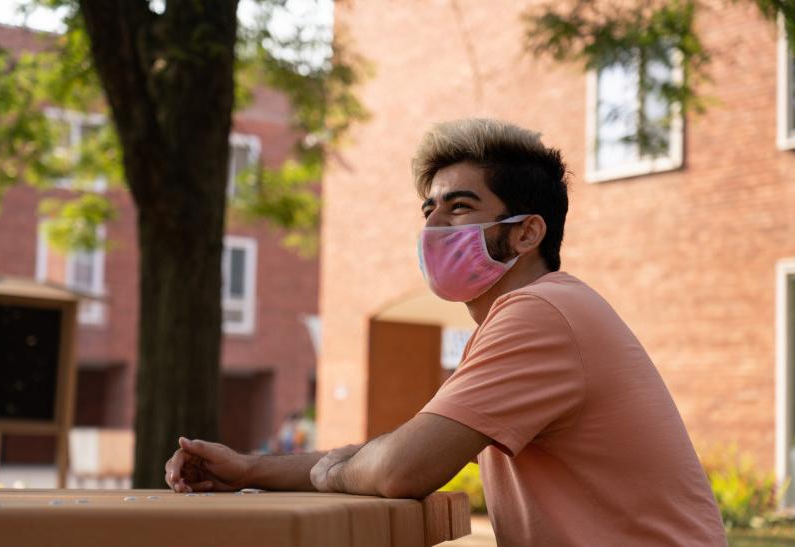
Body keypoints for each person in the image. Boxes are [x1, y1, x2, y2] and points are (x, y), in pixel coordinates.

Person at [165, 119, 727, 546]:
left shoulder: (540, 314)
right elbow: (401, 448)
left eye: (460, 207)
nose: (432, 226)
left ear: (528, 232)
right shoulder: (540, 312)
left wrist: (337, 470)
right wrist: (248, 468)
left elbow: (401, 468)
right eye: (428, 208)